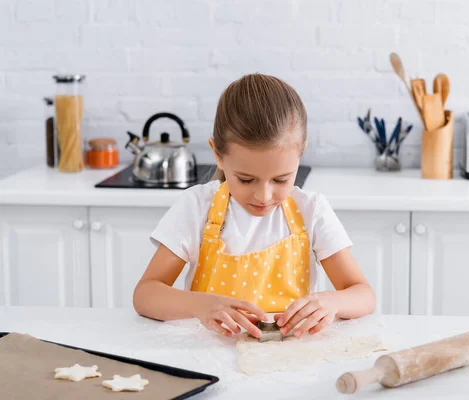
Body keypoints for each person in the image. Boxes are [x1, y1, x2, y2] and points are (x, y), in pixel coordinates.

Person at [133, 73, 376, 340]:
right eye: (246, 179)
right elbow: (146, 294)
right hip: (209, 355)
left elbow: (363, 294)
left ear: (300, 154)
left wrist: (333, 303)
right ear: (218, 155)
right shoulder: (196, 208)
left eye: (281, 179)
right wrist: (198, 304)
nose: (263, 195)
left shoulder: (311, 211)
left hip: (291, 358)